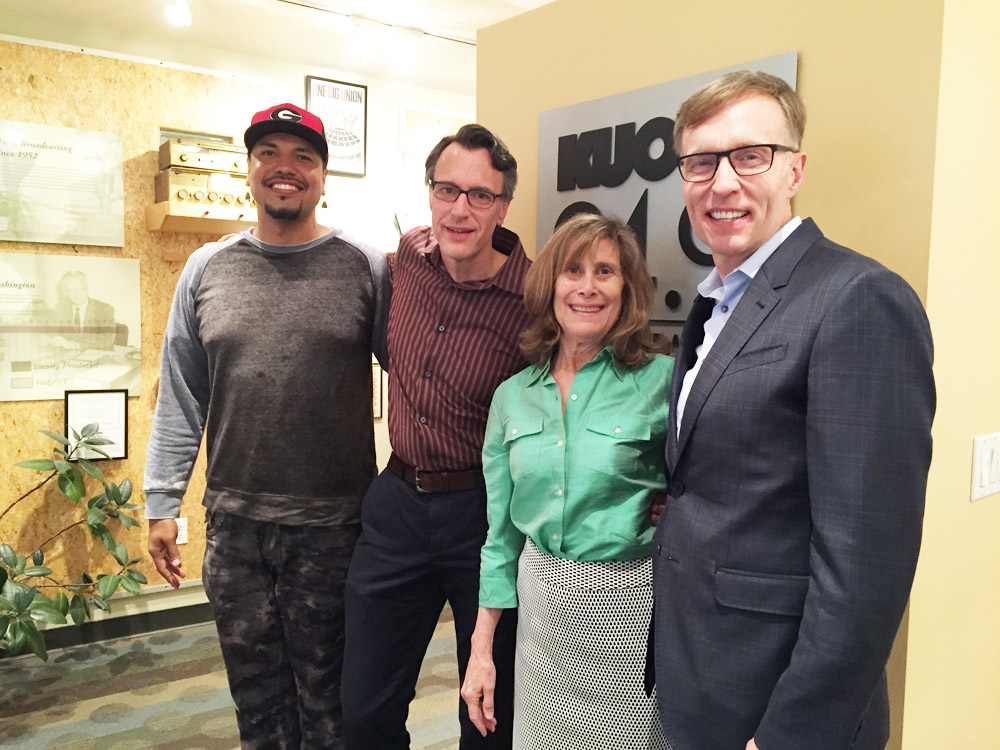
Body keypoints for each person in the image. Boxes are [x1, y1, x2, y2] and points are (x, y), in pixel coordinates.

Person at [650, 71, 936, 750]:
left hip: (778, 707)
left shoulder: (858, 297)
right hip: (702, 677)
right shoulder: (715, 302)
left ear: (795, 170)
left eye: (751, 156)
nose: (722, 183)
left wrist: (790, 736)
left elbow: (865, 569)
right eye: (701, 162)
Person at [143, 102, 390, 750]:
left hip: (334, 532)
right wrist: (162, 502)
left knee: (331, 710)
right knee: (257, 708)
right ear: (249, 171)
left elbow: (417, 377)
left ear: (323, 176)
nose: (286, 168)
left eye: (303, 156)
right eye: (269, 154)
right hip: (236, 532)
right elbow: (182, 394)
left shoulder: (365, 265)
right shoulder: (206, 268)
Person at [340, 124, 530, 750]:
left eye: (480, 195)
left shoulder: (532, 297)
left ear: (503, 207)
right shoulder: (408, 258)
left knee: (488, 715)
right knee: (364, 709)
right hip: (396, 505)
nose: (460, 209)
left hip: (484, 514)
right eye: (447, 189)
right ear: (429, 193)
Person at [461, 213, 673, 749]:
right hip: (541, 616)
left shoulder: (663, 383)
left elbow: (708, 493)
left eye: (605, 271)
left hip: (630, 611)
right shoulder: (512, 397)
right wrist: (482, 649)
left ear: (627, 289)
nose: (587, 287)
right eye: (573, 270)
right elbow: (500, 536)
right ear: (550, 284)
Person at [51, 271, 117, 349]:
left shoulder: (104, 309)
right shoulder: (60, 308)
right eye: (71, 290)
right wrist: (52, 339)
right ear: (65, 292)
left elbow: (107, 339)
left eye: (81, 289)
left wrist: (74, 344)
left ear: (87, 288)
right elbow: (54, 332)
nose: (77, 294)